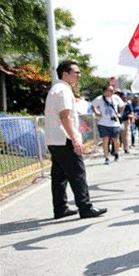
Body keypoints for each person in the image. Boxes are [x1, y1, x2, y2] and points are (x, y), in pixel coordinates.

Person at [44, 61, 107, 219]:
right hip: (64, 138)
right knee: (77, 173)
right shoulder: (63, 90)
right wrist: (74, 138)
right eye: (76, 72)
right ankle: (85, 207)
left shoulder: (56, 89)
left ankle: (60, 208)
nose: (78, 75)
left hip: (54, 139)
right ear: (65, 74)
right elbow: (65, 116)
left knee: (59, 176)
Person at [91, 84, 124, 164]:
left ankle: (116, 154)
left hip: (114, 122)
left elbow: (122, 105)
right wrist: (96, 112)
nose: (112, 92)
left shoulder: (116, 98)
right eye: (110, 90)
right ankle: (106, 157)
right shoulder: (99, 99)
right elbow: (93, 105)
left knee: (115, 140)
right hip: (103, 122)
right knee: (105, 139)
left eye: (113, 91)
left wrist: (119, 113)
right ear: (105, 91)